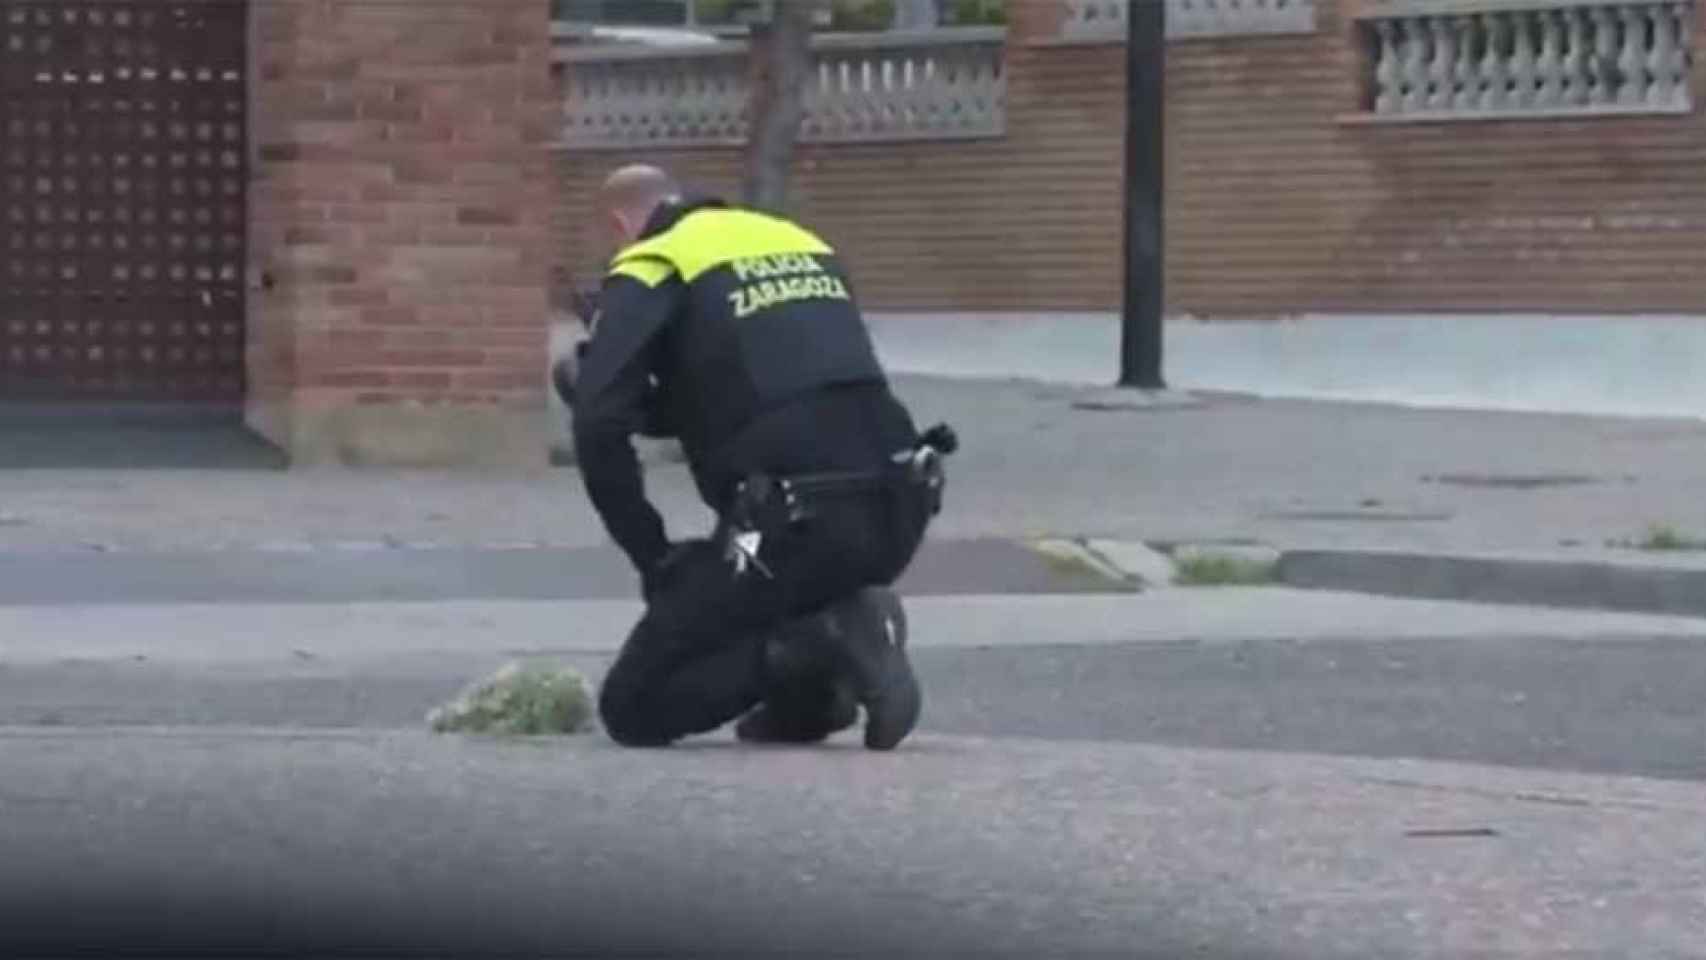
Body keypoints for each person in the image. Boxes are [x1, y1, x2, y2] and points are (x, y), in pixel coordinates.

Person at [568, 164, 952, 751]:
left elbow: (598, 423)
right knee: (750, 595)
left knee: (635, 706)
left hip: (784, 529)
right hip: (898, 506)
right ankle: (821, 676)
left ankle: (822, 636)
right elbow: (759, 391)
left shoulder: (656, 260)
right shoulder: (795, 240)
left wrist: (656, 559)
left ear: (622, 224)